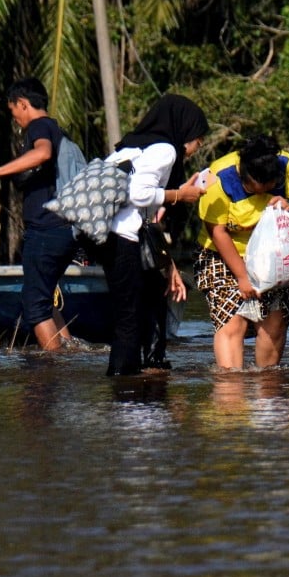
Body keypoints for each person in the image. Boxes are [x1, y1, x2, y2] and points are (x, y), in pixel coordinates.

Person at [98, 94, 209, 376]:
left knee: (139, 306)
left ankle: (136, 383)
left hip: (110, 236)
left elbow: (140, 196)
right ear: (185, 130)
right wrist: (178, 195)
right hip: (124, 238)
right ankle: (126, 387)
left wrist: (168, 198)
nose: (199, 146)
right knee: (129, 317)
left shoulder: (131, 147)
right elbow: (137, 193)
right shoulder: (165, 150)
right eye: (199, 138)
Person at [0, 77, 79, 351]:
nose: (16, 120)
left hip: (46, 230)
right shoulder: (58, 129)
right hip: (63, 230)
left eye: (14, 112)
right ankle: (70, 356)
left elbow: (42, 154)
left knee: (34, 306)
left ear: (23, 104)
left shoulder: (39, 127)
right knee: (42, 299)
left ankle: (53, 370)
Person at [194, 134, 289, 370]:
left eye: (268, 188)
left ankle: (267, 391)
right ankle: (231, 393)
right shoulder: (219, 178)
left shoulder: (284, 163)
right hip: (222, 253)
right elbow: (217, 232)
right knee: (233, 323)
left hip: (272, 255)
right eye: (255, 189)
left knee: (274, 323)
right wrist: (242, 277)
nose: (261, 195)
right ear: (244, 176)